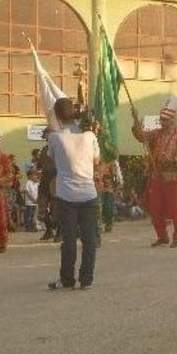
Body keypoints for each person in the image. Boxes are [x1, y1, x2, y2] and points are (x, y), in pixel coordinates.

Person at [47, 98, 100, 290]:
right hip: (88, 193)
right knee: (90, 239)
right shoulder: (90, 136)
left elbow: (52, 159)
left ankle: (67, 279)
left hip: (66, 195)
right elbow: (96, 161)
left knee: (68, 241)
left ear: (58, 115)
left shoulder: (55, 137)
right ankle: (86, 279)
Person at [131, 97, 177, 248]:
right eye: (161, 120)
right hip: (157, 176)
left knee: (176, 208)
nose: (162, 122)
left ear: (172, 121)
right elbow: (141, 137)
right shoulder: (155, 134)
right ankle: (162, 236)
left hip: (174, 176)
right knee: (155, 207)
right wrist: (134, 119)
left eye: (165, 120)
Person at [36, 128, 59, 241]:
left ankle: (59, 232)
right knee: (42, 209)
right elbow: (39, 166)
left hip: (56, 179)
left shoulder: (60, 149)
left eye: (46, 134)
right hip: (45, 180)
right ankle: (49, 231)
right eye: (44, 135)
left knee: (56, 209)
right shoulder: (44, 150)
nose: (44, 137)